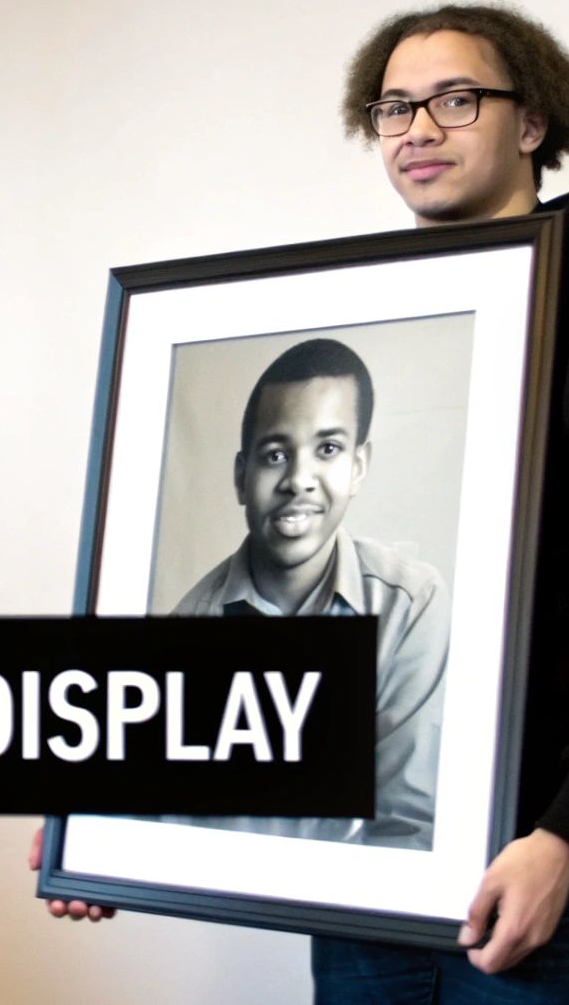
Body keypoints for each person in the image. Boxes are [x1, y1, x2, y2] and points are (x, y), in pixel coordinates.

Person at [34, 2, 569, 1005]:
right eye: (394, 107)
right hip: (358, 877)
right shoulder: (379, 312)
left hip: (541, 865)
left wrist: (568, 831)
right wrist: (103, 820)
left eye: (456, 100)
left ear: (532, 122)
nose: (418, 130)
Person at [167, 337, 449, 851]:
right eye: (276, 454)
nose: (299, 480)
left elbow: (410, 830)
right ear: (241, 476)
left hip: (362, 901)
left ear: (358, 466)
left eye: (328, 449)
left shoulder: (411, 606)